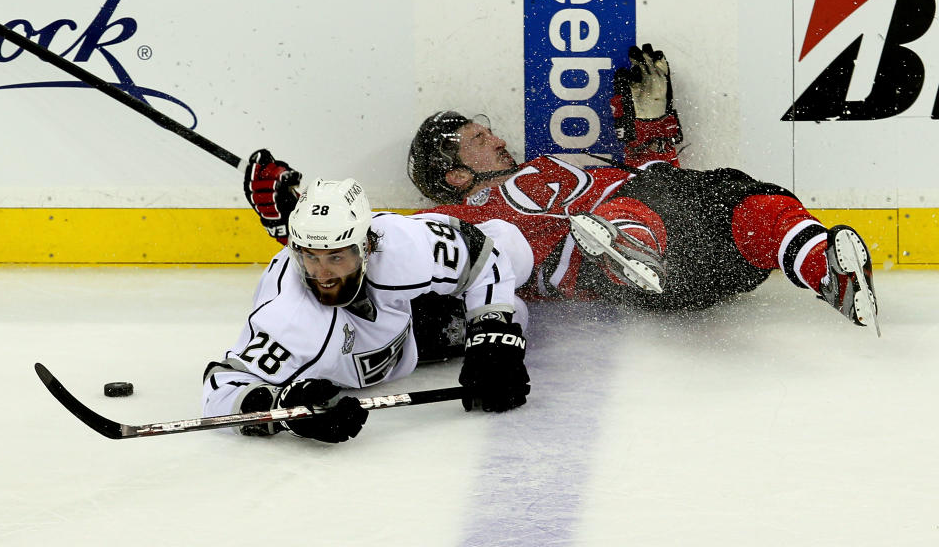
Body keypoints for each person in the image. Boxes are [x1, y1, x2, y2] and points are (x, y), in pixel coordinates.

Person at [244, 45, 878, 333]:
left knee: (739, 195)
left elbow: (655, 176)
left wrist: (653, 123)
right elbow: (376, 240)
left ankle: (825, 268)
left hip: (687, 250)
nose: (493, 138)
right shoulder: (459, 217)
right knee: (627, 212)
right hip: (609, 269)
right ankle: (627, 248)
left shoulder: (549, 162)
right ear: (457, 175)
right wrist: (297, 209)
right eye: (474, 140)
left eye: (484, 130)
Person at [204, 177, 533, 443]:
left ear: (367, 246)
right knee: (518, 311)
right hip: (403, 342)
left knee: (509, 245)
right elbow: (221, 390)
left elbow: (483, 258)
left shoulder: (399, 246)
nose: (323, 276)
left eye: (336, 257)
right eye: (311, 257)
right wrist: (286, 410)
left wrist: (492, 333)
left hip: (397, 309)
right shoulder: (291, 319)